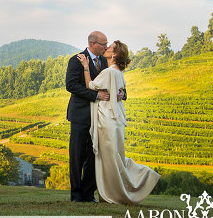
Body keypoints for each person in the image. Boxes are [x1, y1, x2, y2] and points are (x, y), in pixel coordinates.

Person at [77, 40, 159, 205]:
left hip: (107, 118)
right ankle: (114, 190)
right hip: (116, 119)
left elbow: (90, 86)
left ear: (114, 54)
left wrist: (86, 66)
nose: (106, 48)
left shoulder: (109, 72)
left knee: (110, 158)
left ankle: (128, 186)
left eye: (110, 47)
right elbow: (120, 93)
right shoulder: (118, 73)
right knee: (115, 156)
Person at [66, 31, 112, 203]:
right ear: (92, 43)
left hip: (99, 116)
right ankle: (76, 194)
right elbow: (71, 85)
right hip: (80, 115)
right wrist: (95, 96)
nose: (106, 47)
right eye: (103, 44)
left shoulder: (106, 62)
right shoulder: (76, 60)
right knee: (77, 155)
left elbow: (112, 82)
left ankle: (88, 192)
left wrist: (121, 93)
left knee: (94, 155)